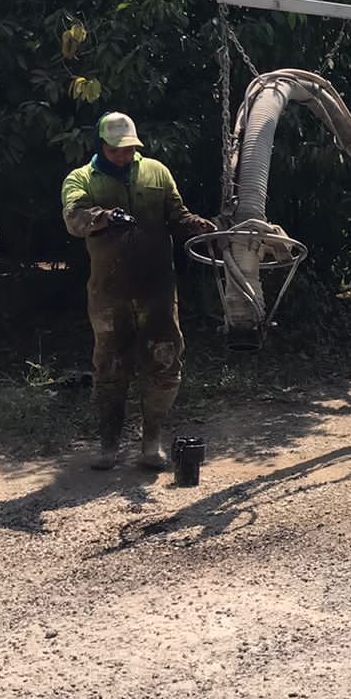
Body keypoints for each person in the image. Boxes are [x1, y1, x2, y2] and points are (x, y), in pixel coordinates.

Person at [61, 112, 215, 471]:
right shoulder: (82, 178)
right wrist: (103, 217)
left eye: (130, 149)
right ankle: (109, 445)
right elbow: (74, 218)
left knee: (164, 360)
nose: (125, 155)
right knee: (110, 367)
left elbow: (177, 215)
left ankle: (152, 442)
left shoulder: (157, 173)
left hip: (157, 288)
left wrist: (199, 227)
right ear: (102, 146)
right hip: (109, 291)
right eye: (118, 150)